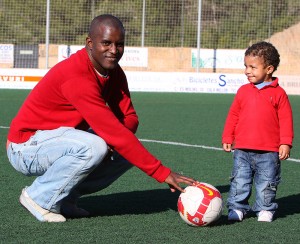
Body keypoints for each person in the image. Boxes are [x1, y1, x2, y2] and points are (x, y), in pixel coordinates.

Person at [6, 14, 196, 222]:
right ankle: (38, 197)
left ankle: (65, 198)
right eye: (106, 43)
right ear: (90, 43)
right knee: (95, 147)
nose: (114, 51)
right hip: (25, 147)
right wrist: (162, 173)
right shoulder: (77, 76)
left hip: (59, 139)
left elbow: (129, 116)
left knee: (124, 153)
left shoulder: (113, 71)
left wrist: (112, 142)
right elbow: (114, 132)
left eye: (119, 44)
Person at [222, 41, 293, 222]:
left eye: (253, 67)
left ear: (269, 69)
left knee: (266, 183)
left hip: (269, 151)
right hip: (242, 149)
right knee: (239, 180)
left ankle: (265, 208)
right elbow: (233, 115)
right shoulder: (243, 91)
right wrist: (228, 136)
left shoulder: (279, 94)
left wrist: (285, 142)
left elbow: (286, 120)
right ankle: (238, 208)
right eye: (246, 66)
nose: (247, 71)